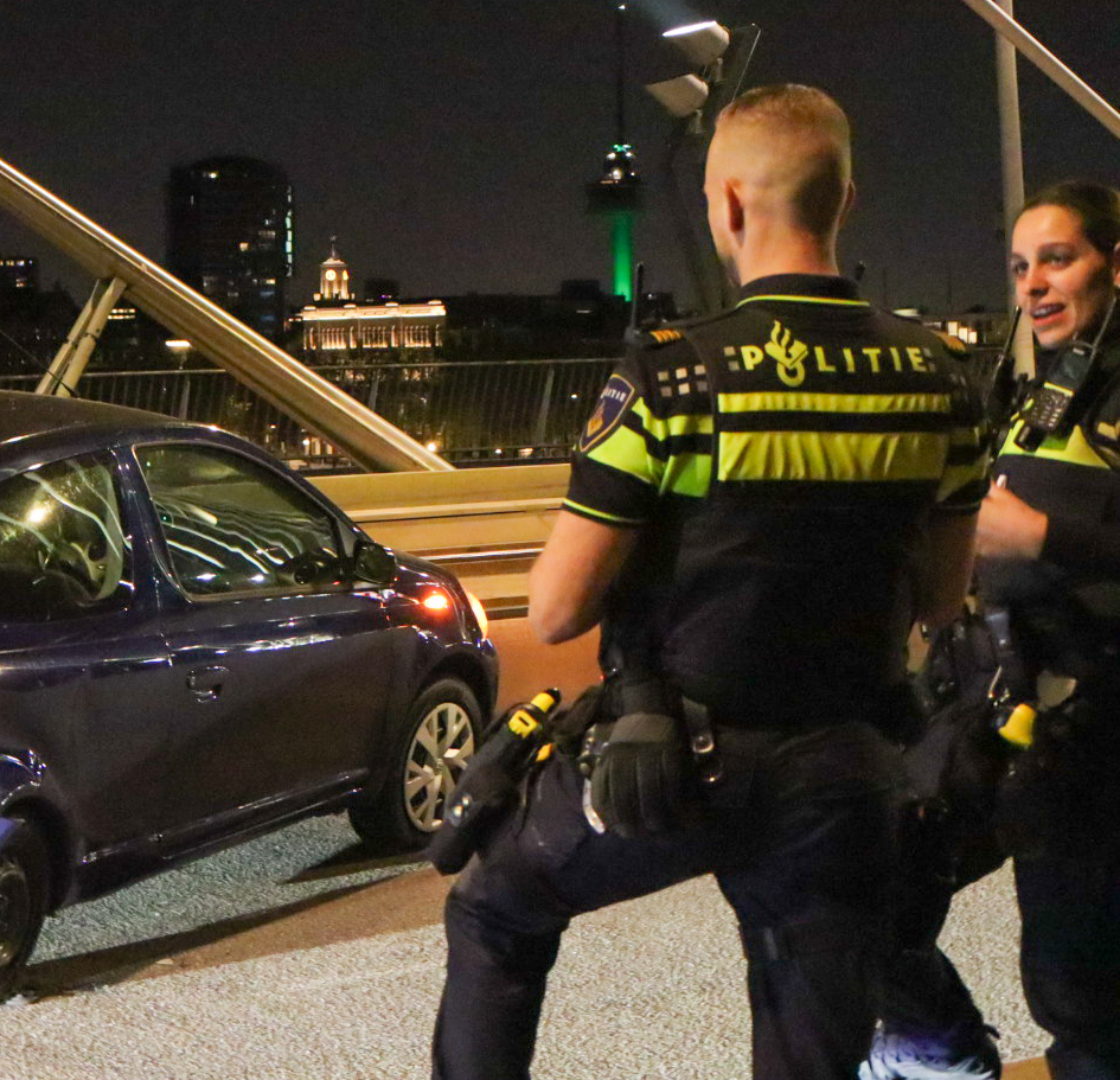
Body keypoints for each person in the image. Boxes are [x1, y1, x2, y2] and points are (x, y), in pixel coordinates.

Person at [430, 83, 988, 1080]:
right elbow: (942, 604)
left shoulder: (677, 382)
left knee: (491, 911)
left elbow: (556, 610)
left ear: (726, 203)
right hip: (847, 772)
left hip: (677, 766)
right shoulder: (940, 384)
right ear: (844, 201)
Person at [866, 180, 1120, 1080]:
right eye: (1021, 266)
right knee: (869, 879)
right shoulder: (1046, 386)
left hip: (1093, 729)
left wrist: (1043, 535)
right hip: (1002, 709)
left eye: (1059, 259)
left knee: (1081, 990)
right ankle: (942, 1050)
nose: (1034, 284)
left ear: (1116, 263)